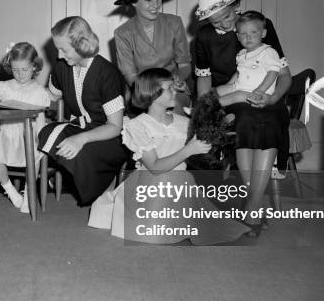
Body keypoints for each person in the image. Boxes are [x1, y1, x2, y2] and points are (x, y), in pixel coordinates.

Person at [88, 68, 250, 244]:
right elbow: (155, 168)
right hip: (150, 184)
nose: (176, 91)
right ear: (152, 93)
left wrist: (212, 134)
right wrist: (189, 149)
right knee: (156, 229)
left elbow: (198, 152)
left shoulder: (183, 122)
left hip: (181, 183)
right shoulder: (137, 126)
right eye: (169, 88)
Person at [194, 0, 292, 235]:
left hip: (269, 96)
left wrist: (273, 99)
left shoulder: (258, 24)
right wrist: (210, 103)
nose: (227, 25)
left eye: (228, 17)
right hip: (232, 95)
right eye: (217, 21)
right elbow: (206, 82)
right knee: (246, 118)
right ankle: (254, 204)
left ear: (235, 7)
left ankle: (252, 204)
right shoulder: (204, 37)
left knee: (268, 119)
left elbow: (283, 74)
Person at [37, 16, 130, 207]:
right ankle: (61, 178)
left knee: (79, 150)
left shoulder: (107, 73)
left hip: (108, 135)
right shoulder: (62, 67)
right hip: (79, 126)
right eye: (58, 49)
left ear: (82, 44)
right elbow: (50, 96)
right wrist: (19, 90)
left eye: (64, 49)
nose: (60, 55)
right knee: (45, 132)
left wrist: (81, 139)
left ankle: (88, 184)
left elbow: (114, 126)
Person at [0, 42, 50, 213]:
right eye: (15, 70)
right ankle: (10, 190)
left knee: (35, 158)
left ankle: (29, 193)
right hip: (5, 133)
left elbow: (40, 118)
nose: (20, 75)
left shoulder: (39, 92)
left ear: (34, 67)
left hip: (28, 135)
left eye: (24, 70)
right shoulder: (4, 87)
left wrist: (41, 139)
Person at [113, 0, 191, 91]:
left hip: (174, 88)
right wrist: (155, 92)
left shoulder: (174, 22)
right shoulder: (122, 33)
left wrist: (176, 81)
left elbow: (184, 65)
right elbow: (130, 76)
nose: (156, 4)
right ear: (134, 2)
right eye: (148, 0)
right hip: (141, 92)